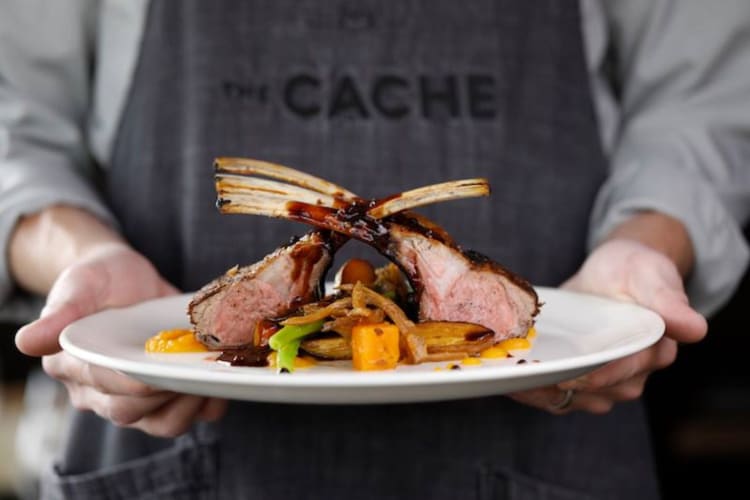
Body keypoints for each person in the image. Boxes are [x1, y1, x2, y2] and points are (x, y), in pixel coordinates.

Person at [2, 0, 749, 498]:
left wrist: (648, 243)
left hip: (555, 450)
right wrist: (76, 253)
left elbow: (707, 105)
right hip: (171, 456)